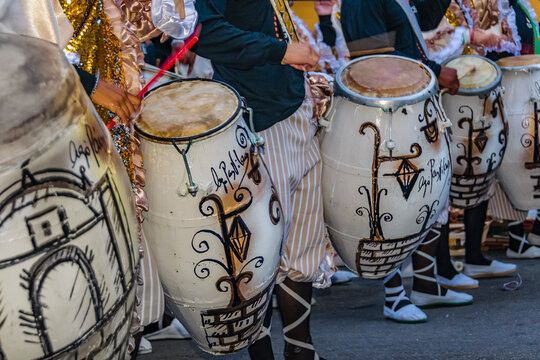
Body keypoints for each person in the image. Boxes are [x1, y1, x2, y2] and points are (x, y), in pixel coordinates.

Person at [193, 0, 332, 359]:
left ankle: (302, 351)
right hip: (258, 123)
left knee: (301, 248)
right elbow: (204, 32)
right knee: (257, 255)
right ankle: (264, 354)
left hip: (294, 107)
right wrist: (283, 50)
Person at [340, 0, 474, 324]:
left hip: (410, 106)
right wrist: (437, 71)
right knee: (392, 202)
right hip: (386, 115)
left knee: (428, 196)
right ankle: (393, 295)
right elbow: (372, 62)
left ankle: (427, 283)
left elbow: (426, 18)